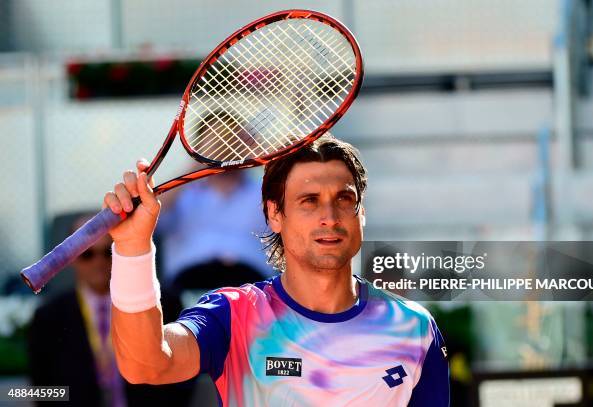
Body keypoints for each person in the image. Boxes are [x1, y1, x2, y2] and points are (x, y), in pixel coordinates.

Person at [106, 134, 450, 406]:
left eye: (344, 199)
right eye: (309, 201)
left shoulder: (414, 326)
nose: (329, 216)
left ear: (361, 213)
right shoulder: (233, 314)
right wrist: (132, 249)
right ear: (274, 215)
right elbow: (145, 364)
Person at [28, 215, 194, 407]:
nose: (98, 262)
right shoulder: (48, 317)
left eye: (108, 252)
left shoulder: (166, 303)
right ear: (71, 258)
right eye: (87, 254)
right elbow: (41, 389)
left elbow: (184, 374)